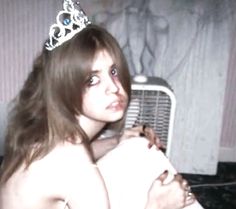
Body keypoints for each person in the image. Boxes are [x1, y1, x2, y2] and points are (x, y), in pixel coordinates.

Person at [0, 1, 200, 209]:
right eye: (92, 80)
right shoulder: (74, 163)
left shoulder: (48, 132)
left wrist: (116, 141)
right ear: (64, 88)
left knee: (137, 147)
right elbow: (72, 168)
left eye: (113, 71)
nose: (114, 87)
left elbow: (67, 165)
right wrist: (158, 206)